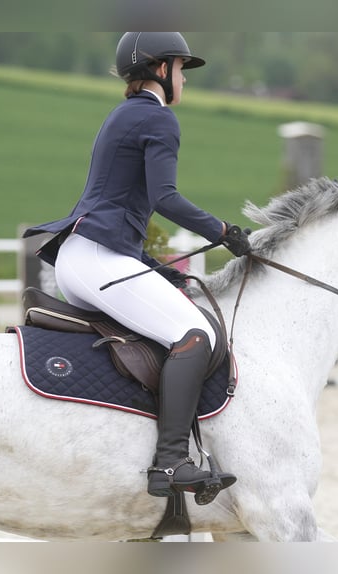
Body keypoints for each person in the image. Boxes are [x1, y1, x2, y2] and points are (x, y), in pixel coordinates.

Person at [23, 32, 251, 505]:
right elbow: (164, 198)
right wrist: (223, 231)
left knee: (168, 322)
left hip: (87, 257)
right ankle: (170, 459)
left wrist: (152, 266)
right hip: (97, 259)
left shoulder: (124, 114)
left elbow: (116, 204)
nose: (184, 79)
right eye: (182, 69)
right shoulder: (158, 118)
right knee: (194, 335)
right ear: (161, 69)